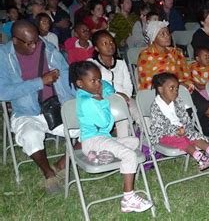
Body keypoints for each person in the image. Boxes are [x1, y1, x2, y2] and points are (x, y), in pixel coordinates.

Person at [0, 20, 78, 193]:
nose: (35, 46)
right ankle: (49, 174)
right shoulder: (4, 55)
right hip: (26, 111)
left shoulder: (48, 48)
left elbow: (67, 77)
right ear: (15, 40)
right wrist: (40, 82)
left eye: (36, 40)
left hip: (56, 107)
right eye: (29, 43)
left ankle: (62, 164)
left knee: (91, 123)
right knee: (30, 135)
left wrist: (80, 100)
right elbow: (3, 92)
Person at [70, 61, 153, 213]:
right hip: (94, 140)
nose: (98, 84)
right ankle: (128, 198)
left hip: (100, 140)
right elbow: (105, 124)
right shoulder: (90, 101)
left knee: (134, 141)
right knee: (129, 155)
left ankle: (101, 155)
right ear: (80, 83)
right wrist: (103, 102)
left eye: (99, 79)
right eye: (93, 81)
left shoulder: (87, 96)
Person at [149, 72, 209, 170]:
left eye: (177, 89)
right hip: (164, 134)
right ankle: (201, 158)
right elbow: (161, 125)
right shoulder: (156, 106)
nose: (175, 91)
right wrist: (176, 130)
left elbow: (184, 117)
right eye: (172, 88)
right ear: (160, 89)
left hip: (181, 130)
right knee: (183, 140)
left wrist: (185, 128)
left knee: (194, 135)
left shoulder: (177, 102)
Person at [88, 30, 140, 133]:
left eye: (111, 42)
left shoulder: (120, 62)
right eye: (105, 43)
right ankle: (124, 144)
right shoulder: (91, 64)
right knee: (123, 116)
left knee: (140, 115)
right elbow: (92, 88)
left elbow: (128, 85)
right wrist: (116, 95)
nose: (110, 46)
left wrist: (125, 97)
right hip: (103, 100)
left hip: (125, 98)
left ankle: (150, 141)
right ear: (97, 48)